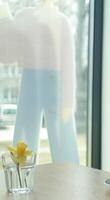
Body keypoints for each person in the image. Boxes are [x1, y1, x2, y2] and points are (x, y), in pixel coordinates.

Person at [1, 0, 79, 163]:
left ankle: (69, 173)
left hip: (55, 81)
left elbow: (68, 63)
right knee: (25, 131)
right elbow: (9, 53)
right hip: (31, 79)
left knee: (63, 135)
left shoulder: (61, 21)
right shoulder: (25, 17)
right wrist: (4, 19)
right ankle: (20, 175)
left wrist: (68, 102)